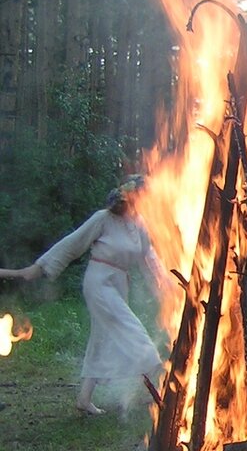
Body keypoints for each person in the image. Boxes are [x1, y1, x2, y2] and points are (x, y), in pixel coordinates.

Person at [0, 175, 164, 415]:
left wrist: (170, 286)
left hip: (119, 284)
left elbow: (149, 258)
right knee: (131, 329)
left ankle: (84, 399)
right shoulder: (103, 219)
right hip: (99, 282)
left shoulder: (138, 224)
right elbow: (73, 243)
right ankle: (156, 375)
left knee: (101, 338)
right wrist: (39, 267)